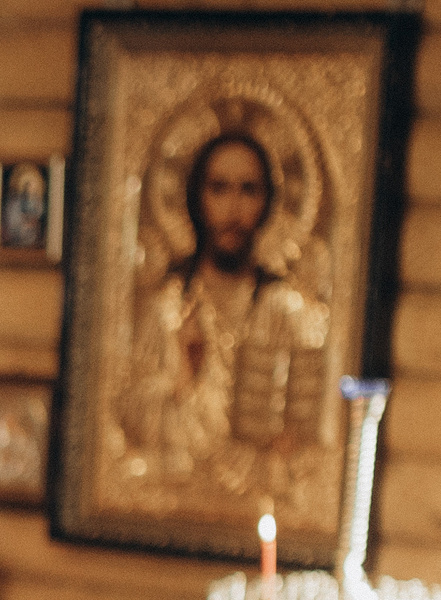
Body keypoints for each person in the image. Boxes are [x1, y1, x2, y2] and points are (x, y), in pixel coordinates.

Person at [122, 128, 327, 486]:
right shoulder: (168, 309)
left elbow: (311, 425)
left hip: (260, 491)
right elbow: (131, 419)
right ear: (197, 198)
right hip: (177, 489)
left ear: (268, 202)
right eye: (219, 188)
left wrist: (288, 442)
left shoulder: (286, 311)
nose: (233, 209)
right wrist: (185, 378)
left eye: (248, 190)